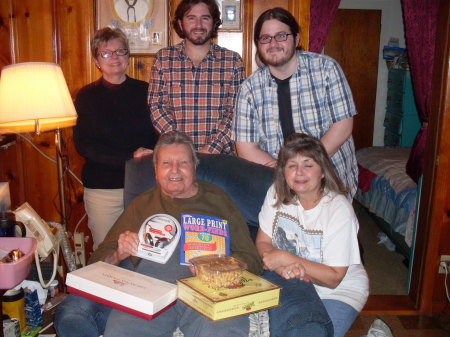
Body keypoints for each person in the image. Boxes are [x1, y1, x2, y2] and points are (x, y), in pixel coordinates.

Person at [55, 131, 262, 337]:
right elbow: (98, 260)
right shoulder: (142, 204)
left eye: (183, 162)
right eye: (166, 163)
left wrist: (219, 267)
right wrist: (119, 253)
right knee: (121, 332)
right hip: (151, 290)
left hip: (206, 292)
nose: (175, 171)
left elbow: (252, 259)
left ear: (194, 167)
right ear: (155, 170)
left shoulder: (219, 201)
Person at [232, 7, 358, 198]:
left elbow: (342, 127)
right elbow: (246, 147)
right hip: (278, 184)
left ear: (297, 39)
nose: (273, 43)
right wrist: (286, 173)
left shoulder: (326, 69)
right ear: (258, 44)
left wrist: (305, 166)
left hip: (331, 180)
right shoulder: (249, 89)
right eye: (265, 38)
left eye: (281, 35)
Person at [256, 133, 369, 337]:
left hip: (338, 291)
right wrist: (282, 267)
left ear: (323, 171)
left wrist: (284, 258)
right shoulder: (276, 193)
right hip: (293, 281)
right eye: (291, 165)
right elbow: (263, 242)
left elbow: (334, 277)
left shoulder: (338, 209)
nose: (299, 172)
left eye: (308, 165)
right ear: (283, 171)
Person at [74, 27, 158, 249]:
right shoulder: (86, 96)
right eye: (106, 53)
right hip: (103, 190)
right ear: (96, 60)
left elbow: (158, 134)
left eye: (120, 51)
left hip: (143, 185)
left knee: (144, 250)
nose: (114, 58)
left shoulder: (146, 91)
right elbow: (84, 145)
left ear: (128, 56)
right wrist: (129, 157)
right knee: (106, 250)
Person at [148, 0, 245, 154]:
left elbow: (235, 112)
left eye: (205, 18)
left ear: (214, 23)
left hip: (219, 157)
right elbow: (157, 106)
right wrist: (180, 145)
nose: (198, 25)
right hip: (176, 155)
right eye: (191, 18)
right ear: (180, 23)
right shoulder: (163, 59)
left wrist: (211, 148)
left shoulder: (232, 61)